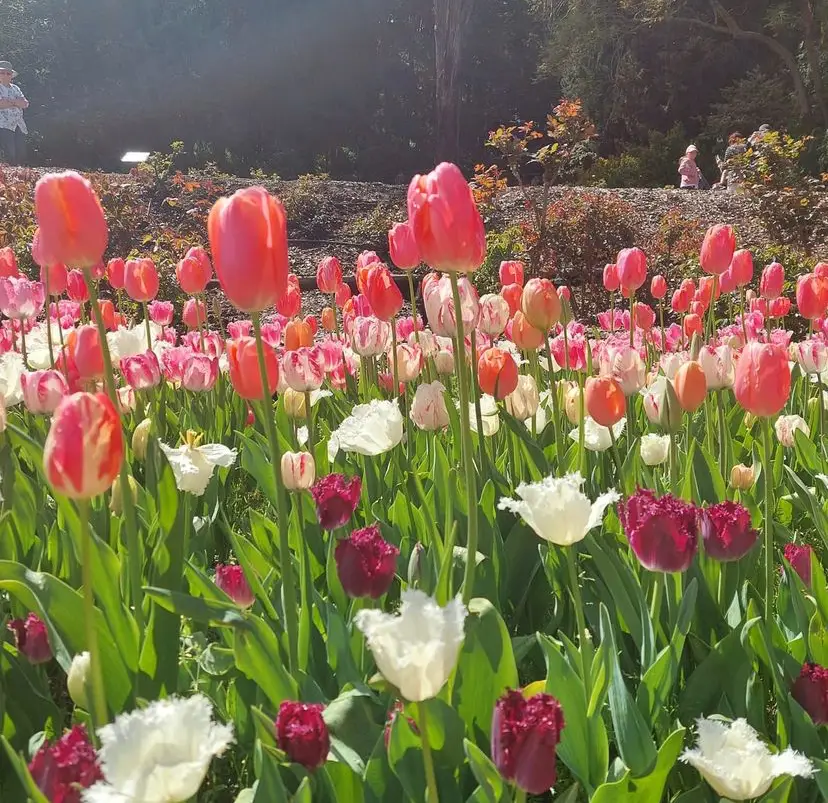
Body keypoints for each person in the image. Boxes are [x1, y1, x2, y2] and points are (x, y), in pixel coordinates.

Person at [0, 61, 28, 166]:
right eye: (2, 72)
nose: (5, 75)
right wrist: (16, 102)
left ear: (11, 75)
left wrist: (9, 102)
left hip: (19, 125)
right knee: (9, 154)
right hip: (3, 125)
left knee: (21, 153)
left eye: (8, 73)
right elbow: (1, 104)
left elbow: (25, 104)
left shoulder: (16, 88)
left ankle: (19, 177)